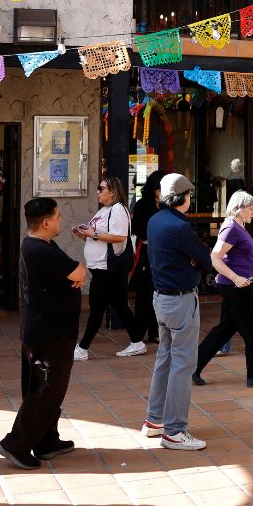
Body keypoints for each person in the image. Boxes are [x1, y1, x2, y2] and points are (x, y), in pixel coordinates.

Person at [0, 198, 88, 470]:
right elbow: (79, 270)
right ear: (46, 222)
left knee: (50, 389)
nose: (61, 221)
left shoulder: (41, 244)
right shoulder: (40, 250)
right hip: (50, 333)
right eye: (58, 217)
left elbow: (75, 272)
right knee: (48, 389)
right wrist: (79, 274)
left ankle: (47, 441)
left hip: (45, 329)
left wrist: (77, 275)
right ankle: (16, 443)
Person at [141, 173, 213, 451]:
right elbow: (206, 260)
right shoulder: (180, 227)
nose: (191, 200)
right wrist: (194, 261)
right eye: (189, 195)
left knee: (165, 360)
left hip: (161, 298)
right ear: (182, 197)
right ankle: (174, 431)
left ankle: (154, 420)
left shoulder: (155, 220)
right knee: (183, 366)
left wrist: (193, 259)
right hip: (181, 300)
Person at [192, 191, 253, 389]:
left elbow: (241, 257)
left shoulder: (239, 226)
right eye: (251, 208)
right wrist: (236, 278)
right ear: (239, 208)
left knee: (224, 329)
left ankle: (193, 367)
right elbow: (215, 257)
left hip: (237, 284)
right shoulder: (231, 227)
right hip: (237, 286)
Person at [72, 176, 143, 360]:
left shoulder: (118, 210)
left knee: (97, 308)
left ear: (112, 192)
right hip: (102, 268)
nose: (97, 191)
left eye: (101, 188)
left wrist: (92, 234)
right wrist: (84, 234)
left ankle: (82, 348)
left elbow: (119, 237)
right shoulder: (104, 210)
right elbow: (96, 235)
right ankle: (137, 341)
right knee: (119, 306)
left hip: (108, 268)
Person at [130, 170, 168, 346]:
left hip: (162, 252)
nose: (161, 191)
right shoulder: (142, 205)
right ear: (153, 187)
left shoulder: (167, 204)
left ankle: (155, 332)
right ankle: (137, 336)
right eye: (159, 188)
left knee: (158, 293)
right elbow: (139, 231)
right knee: (144, 295)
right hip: (146, 252)